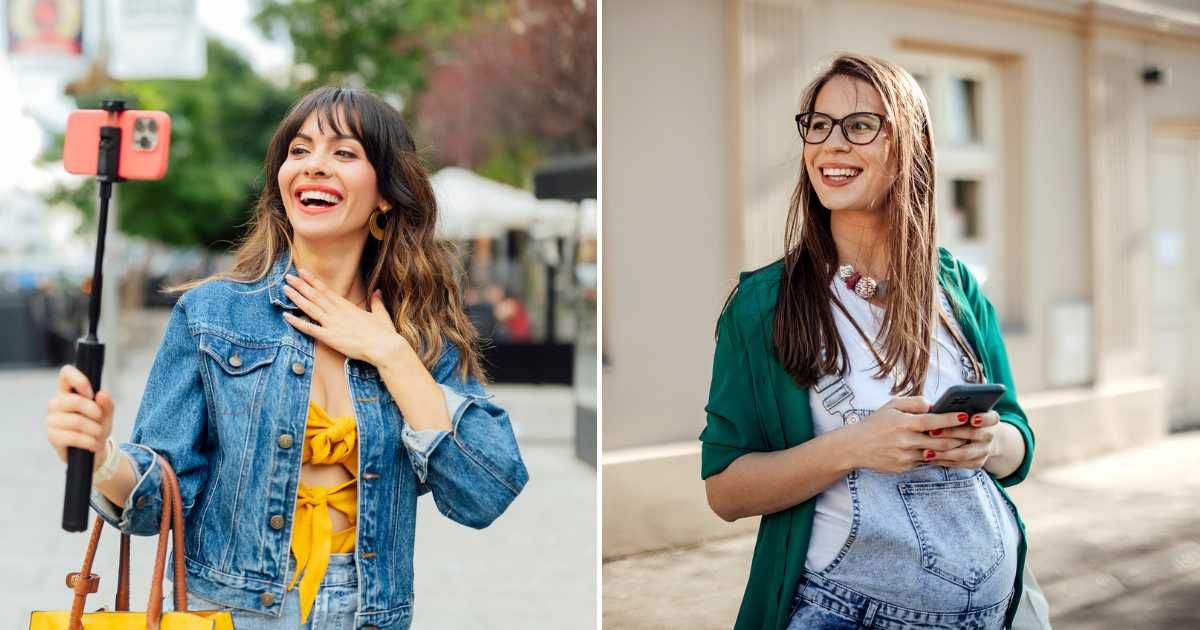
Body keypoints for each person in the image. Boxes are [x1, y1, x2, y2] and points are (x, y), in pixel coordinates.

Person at [44, 86, 529, 630]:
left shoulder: (419, 330)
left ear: (386, 194)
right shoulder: (211, 314)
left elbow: (485, 491)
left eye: (343, 152)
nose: (314, 165)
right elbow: (160, 498)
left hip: (369, 616)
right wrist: (100, 455)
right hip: (230, 614)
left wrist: (390, 354)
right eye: (299, 150)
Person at [700, 53, 1035, 630]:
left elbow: (1018, 439)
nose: (831, 144)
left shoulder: (954, 287)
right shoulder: (763, 305)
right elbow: (725, 490)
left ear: (911, 146)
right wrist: (855, 447)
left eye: (859, 126)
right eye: (818, 125)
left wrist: (987, 444)